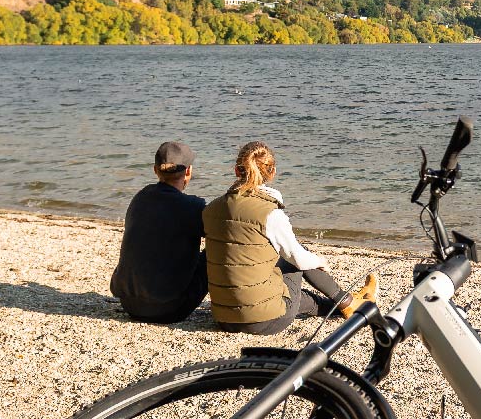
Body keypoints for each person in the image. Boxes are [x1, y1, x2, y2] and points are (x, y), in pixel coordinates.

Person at [203, 140, 376, 335]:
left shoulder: (210, 209)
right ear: (273, 172)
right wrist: (320, 260)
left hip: (224, 318)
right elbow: (299, 259)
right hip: (266, 321)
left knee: (299, 297)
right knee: (295, 258)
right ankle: (347, 302)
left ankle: (346, 304)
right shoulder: (269, 214)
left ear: (236, 170)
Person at [109, 141, 208, 324]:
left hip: (129, 304)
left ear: (155, 170)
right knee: (214, 251)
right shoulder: (193, 206)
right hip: (171, 309)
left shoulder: (139, 198)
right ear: (188, 171)